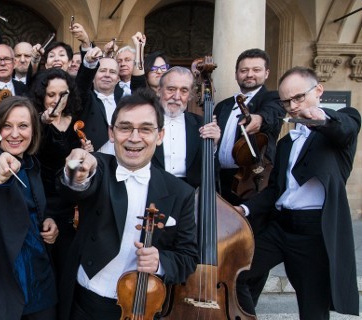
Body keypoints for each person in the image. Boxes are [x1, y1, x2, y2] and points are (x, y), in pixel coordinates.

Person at [56, 88, 198, 319]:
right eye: (125, 127)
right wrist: (76, 173)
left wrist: (160, 262)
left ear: (160, 135)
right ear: (111, 133)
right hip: (86, 301)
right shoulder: (99, 167)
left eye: (145, 129)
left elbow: (188, 257)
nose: (134, 138)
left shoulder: (180, 192)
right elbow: (72, 186)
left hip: (142, 305)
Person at [235, 67, 360, 319]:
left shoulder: (341, 124)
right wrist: (244, 209)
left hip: (313, 233)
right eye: (286, 101)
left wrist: (320, 117)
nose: (292, 106)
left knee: (313, 312)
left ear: (319, 91)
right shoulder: (285, 143)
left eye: (298, 98)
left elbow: (344, 127)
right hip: (279, 228)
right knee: (235, 274)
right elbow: (275, 191)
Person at [0, 96, 59, 319]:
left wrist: (47, 221)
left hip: (39, 278)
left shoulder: (32, 165)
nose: (15, 134)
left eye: (23, 126)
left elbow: (33, 209)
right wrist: (0, 168)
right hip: (3, 279)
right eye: (7, 126)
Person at [30, 68, 87, 280]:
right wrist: (43, 120)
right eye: (51, 95)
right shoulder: (35, 122)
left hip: (71, 206)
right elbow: (32, 145)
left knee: (67, 269)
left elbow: (73, 166)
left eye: (62, 94)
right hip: (43, 204)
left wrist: (84, 153)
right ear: (42, 96)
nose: (56, 100)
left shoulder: (76, 122)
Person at [214, 48, 285, 207]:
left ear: (266, 73)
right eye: (244, 70)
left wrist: (259, 118)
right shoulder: (223, 106)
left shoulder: (272, 99)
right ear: (236, 74)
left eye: (256, 70)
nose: (249, 74)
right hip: (221, 179)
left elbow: (272, 114)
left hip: (252, 179)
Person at [150, 66, 221, 188]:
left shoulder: (202, 124)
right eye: (171, 89)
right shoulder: (144, 122)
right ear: (159, 90)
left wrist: (213, 146)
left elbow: (214, 174)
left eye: (184, 91)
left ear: (190, 95)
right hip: (152, 188)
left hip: (190, 193)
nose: (177, 96)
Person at [76, 33, 147, 152]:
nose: (107, 75)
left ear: (118, 78)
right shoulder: (86, 98)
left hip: (123, 160)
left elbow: (140, 88)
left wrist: (139, 49)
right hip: (94, 161)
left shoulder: (124, 99)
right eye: (102, 71)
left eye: (113, 72)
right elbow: (82, 84)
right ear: (94, 76)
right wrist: (90, 63)